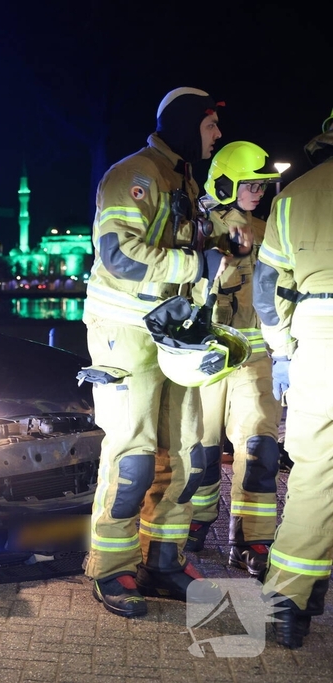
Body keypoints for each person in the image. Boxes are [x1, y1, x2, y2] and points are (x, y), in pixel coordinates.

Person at [82, 87, 229, 617]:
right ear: (187, 124)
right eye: (210, 125)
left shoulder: (183, 179)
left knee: (185, 453)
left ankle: (162, 562)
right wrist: (195, 266)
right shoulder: (135, 174)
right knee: (134, 457)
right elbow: (118, 255)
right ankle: (111, 569)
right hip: (126, 332)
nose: (217, 135)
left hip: (174, 332)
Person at [183, 142, 283, 581]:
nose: (258, 192)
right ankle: (195, 524)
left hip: (256, 353)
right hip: (208, 354)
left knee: (260, 446)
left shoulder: (268, 229)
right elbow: (182, 287)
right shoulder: (198, 225)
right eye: (250, 185)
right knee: (200, 449)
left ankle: (253, 542)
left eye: (262, 185)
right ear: (225, 183)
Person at [254, 108, 333, 649]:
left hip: (316, 335)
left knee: (314, 474)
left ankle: (287, 603)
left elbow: (268, 288)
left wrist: (282, 351)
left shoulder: (292, 197)